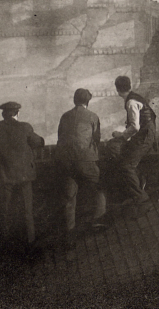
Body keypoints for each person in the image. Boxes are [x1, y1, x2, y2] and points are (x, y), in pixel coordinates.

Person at [0, 101, 45, 253]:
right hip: (25, 176)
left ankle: (5, 244)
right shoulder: (25, 127)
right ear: (17, 113)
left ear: (3, 114)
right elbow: (39, 142)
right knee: (27, 210)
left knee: (5, 210)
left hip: (5, 176)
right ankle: (30, 242)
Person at [55, 88, 107, 238]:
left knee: (69, 195)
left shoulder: (65, 116)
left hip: (65, 161)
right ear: (88, 101)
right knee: (99, 186)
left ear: (74, 100)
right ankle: (98, 219)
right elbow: (96, 139)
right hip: (86, 160)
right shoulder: (93, 116)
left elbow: (60, 137)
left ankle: (69, 231)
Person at [111, 75, 156, 205]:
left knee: (127, 166)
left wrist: (122, 135)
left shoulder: (130, 102)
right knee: (127, 157)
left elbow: (135, 127)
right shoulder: (135, 97)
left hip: (145, 136)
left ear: (117, 89)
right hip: (146, 133)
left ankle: (141, 198)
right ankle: (140, 185)